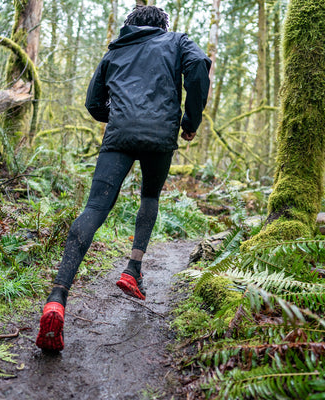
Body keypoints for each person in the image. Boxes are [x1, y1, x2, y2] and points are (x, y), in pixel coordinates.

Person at [36, 5, 211, 352]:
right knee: (150, 197)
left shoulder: (115, 50)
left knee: (95, 207)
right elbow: (199, 66)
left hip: (118, 134)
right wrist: (190, 121)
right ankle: (132, 269)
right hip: (161, 134)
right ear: (163, 24)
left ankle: (57, 298)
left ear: (130, 26)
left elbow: (92, 102)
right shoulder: (177, 42)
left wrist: (118, 117)